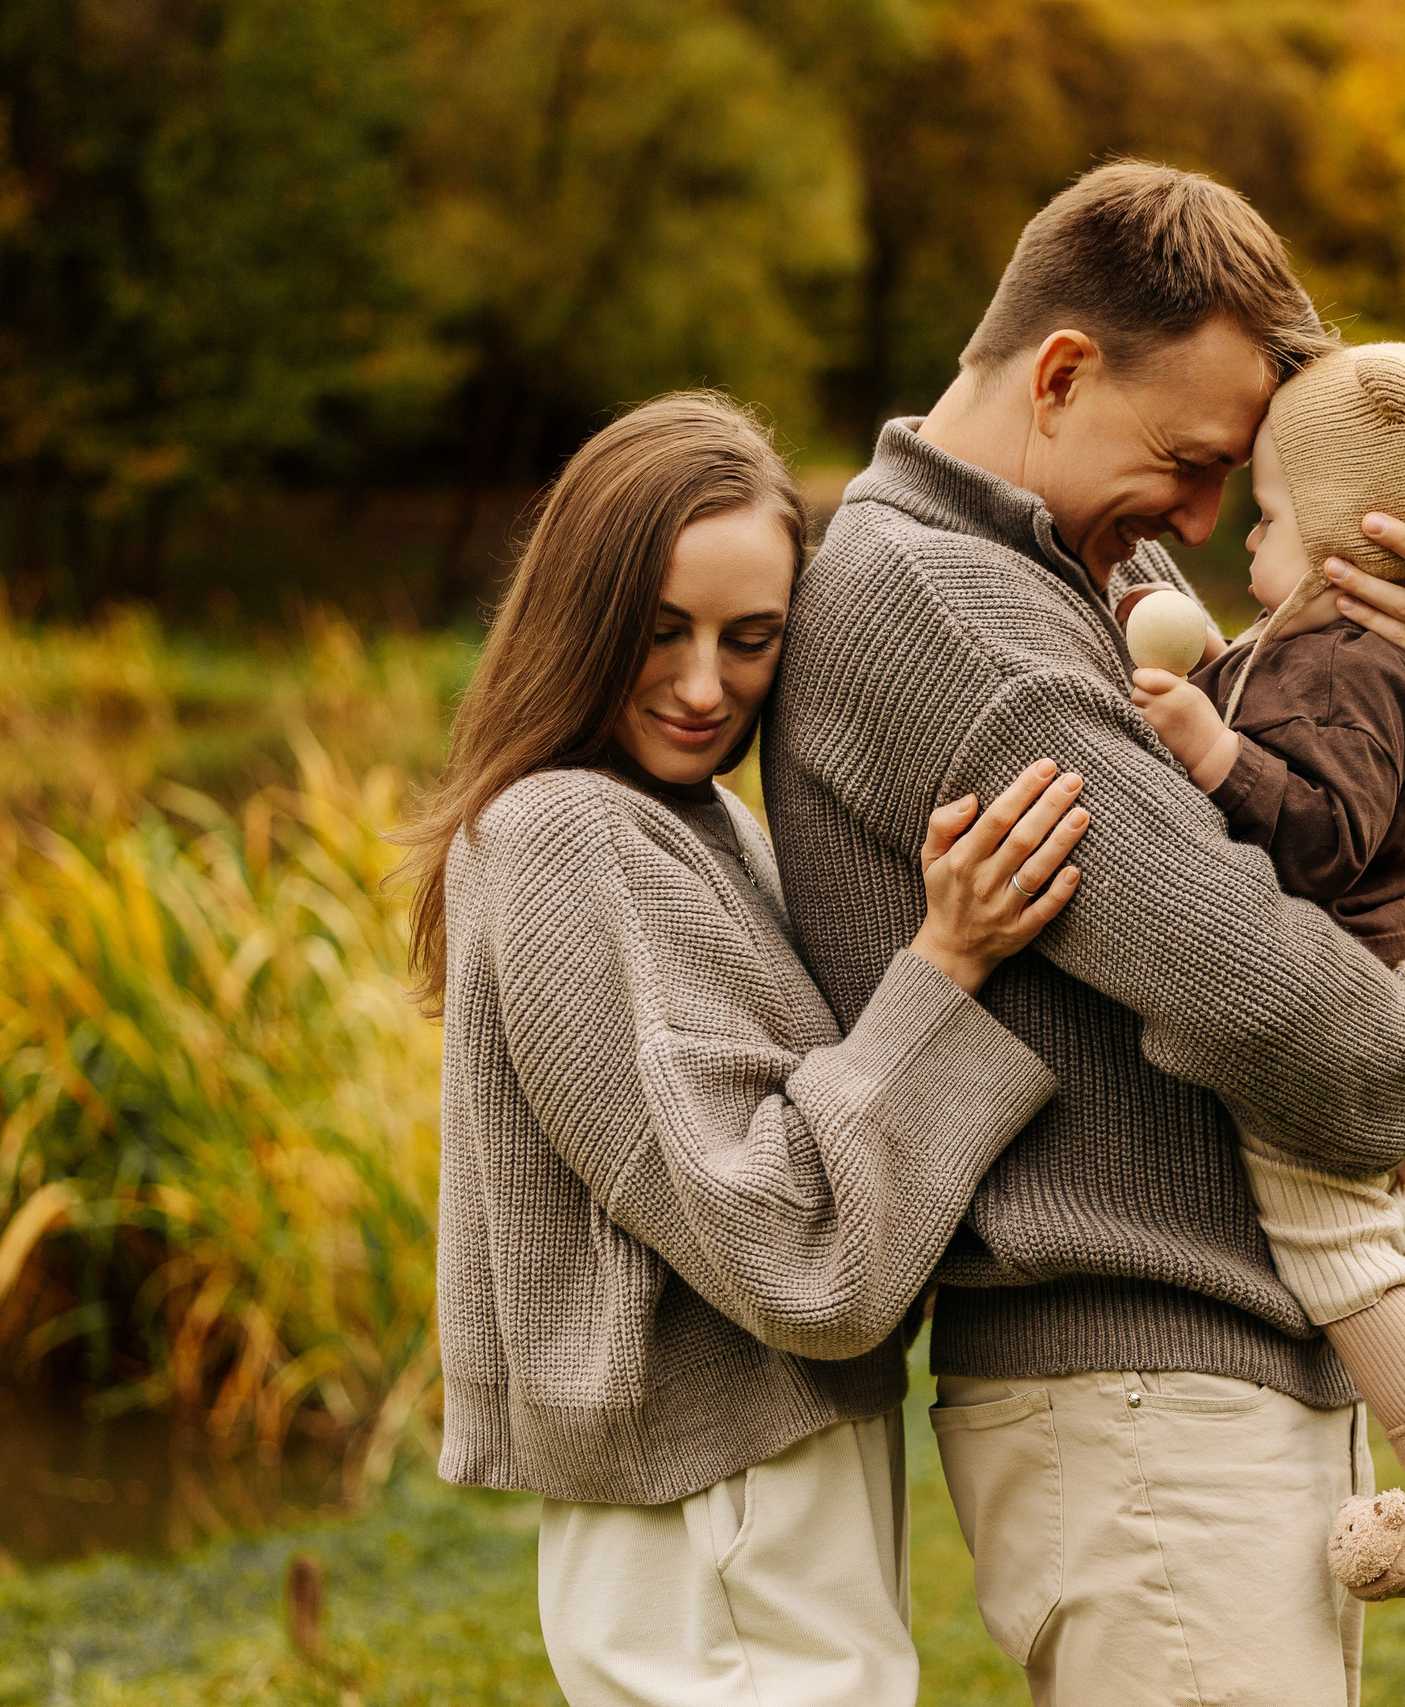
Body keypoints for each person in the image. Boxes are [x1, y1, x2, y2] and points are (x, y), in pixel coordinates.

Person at [765, 163, 1405, 1704]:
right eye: (1188, 459)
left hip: (1215, 1375)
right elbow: (1270, 998)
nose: (1204, 516)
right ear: (1058, 374)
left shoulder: (1100, 570)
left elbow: (1379, 888)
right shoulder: (946, 606)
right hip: (1140, 1395)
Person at [405, 391, 1091, 1707]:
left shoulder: (695, 819)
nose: (706, 684)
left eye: (752, 637)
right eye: (659, 631)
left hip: (748, 1480)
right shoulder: (565, 832)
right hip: (711, 1501)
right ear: (580, 613)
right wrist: (943, 963)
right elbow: (786, 1240)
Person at [1128, 341, 1405, 1602]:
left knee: (1331, 1238)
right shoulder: (1328, 647)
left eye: (1266, 520)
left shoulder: (1350, 666)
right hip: (1379, 977)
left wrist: (1206, 750)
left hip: (1347, 991)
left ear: (1350, 547)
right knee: (1374, 1211)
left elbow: (1327, 832)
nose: (1245, 546)